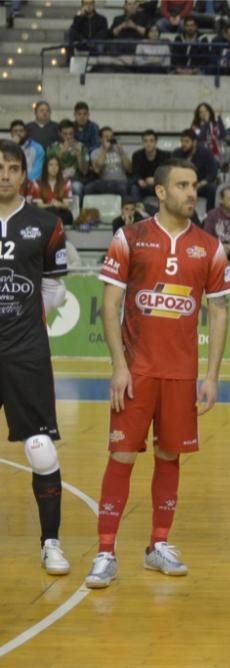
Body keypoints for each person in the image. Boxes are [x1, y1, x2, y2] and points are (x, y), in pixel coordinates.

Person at [85, 158, 230, 589]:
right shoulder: (129, 237)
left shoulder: (209, 246)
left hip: (181, 376)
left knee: (170, 457)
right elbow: (110, 305)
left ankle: (158, 545)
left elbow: (219, 310)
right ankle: (105, 551)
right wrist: (118, 366)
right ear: (161, 192)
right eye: (182, 185)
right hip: (137, 374)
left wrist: (211, 376)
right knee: (122, 456)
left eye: (194, 185)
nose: (192, 192)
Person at [0, 139, 72, 578]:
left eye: (11, 167)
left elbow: (55, 290)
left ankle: (51, 543)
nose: (3, 174)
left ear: (24, 174)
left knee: (41, 449)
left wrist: (23, 324)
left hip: (26, 353)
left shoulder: (45, 223)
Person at [173, 128, 219, 210]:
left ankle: (209, 217)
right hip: (182, 185)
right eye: (182, 141)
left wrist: (200, 184)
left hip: (199, 185)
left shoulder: (205, 153)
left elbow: (213, 172)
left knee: (212, 189)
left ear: (194, 142)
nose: (183, 144)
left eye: (186, 141)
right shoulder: (177, 153)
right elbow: (171, 170)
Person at [28, 155, 75, 228]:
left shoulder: (66, 183)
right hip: (44, 213)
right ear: (45, 167)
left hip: (61, 213)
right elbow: (39, 206)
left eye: (56, 165)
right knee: (51, 211)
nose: (54, 168)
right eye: (51, 165)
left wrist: (59, 205)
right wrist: (51, 205)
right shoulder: (37, 183)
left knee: (67, 215)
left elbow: (67, 205)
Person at [86, 126, 132, 197]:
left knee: (122, 188)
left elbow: (130, 169)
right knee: (88, 188)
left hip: (120, 181)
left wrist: (122, 153)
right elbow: (97, 170)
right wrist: (105, 151)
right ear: (100, 139)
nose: (109, 139)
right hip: (103, 182)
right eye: (106, 137)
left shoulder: (122, 150)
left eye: (111, 136)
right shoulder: (95, 152)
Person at [131, 130, 170, 208]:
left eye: (151, 141)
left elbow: (168, 174)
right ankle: (137, 210)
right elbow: (135, 173)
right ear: (143, 142)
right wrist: (139, 180)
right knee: (134, 188)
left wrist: (155, 179)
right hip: (144, 187)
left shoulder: (165, 156)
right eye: (145, 141)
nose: (148, 144)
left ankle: (164, 211)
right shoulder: (137, 155)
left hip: (159, 185)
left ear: (155, 142)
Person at [192, 102, 225, 167]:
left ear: (209, 112)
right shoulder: (195, 126)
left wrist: (219, 118)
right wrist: (206, 123)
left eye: (206, 111)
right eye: (201, 112)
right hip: (202, 156)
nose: (203, 114)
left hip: (216, 155)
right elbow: (201, 138)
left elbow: (223, 135)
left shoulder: (214, 124)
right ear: (198, 114)